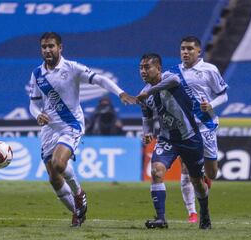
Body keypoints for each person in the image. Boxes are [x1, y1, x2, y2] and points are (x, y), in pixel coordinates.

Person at [28, 32, 136, 227]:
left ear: (60, 48)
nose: (47, 50)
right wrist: (37, 115)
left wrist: (120, 93)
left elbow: (100, 80)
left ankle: (78, 193)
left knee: (59, 164)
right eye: (44, 47)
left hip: (71, 125)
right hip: (49, 129)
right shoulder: (37, 74)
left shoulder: (72, 68)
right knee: (53, 177)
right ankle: (78, 213)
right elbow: (33, 104)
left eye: (51, 46)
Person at [137, 53, 211, 229]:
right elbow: (147, 117)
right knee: (156, 172)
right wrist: (147, 132)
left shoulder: (170, 77)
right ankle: (161, 218)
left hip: (190, 137)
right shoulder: (144, 95)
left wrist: (149, 91)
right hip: (167, 139)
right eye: (141, 68)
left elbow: (175, 81)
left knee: (196, 182)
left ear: (159, 68)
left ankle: (205, 213)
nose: (143, 71)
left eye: (147, 67)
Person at [171, 36, 228, 223]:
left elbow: (223, 95)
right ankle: (193, 213)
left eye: (189, 49)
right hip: (187, 129)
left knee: (211, 173)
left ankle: (204, 180)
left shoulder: (209, 70)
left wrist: (210, 105)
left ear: (198, 51)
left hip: (207, 126)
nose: (185, 52)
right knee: (186, 169)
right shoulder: (174, 73)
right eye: (182, 49)